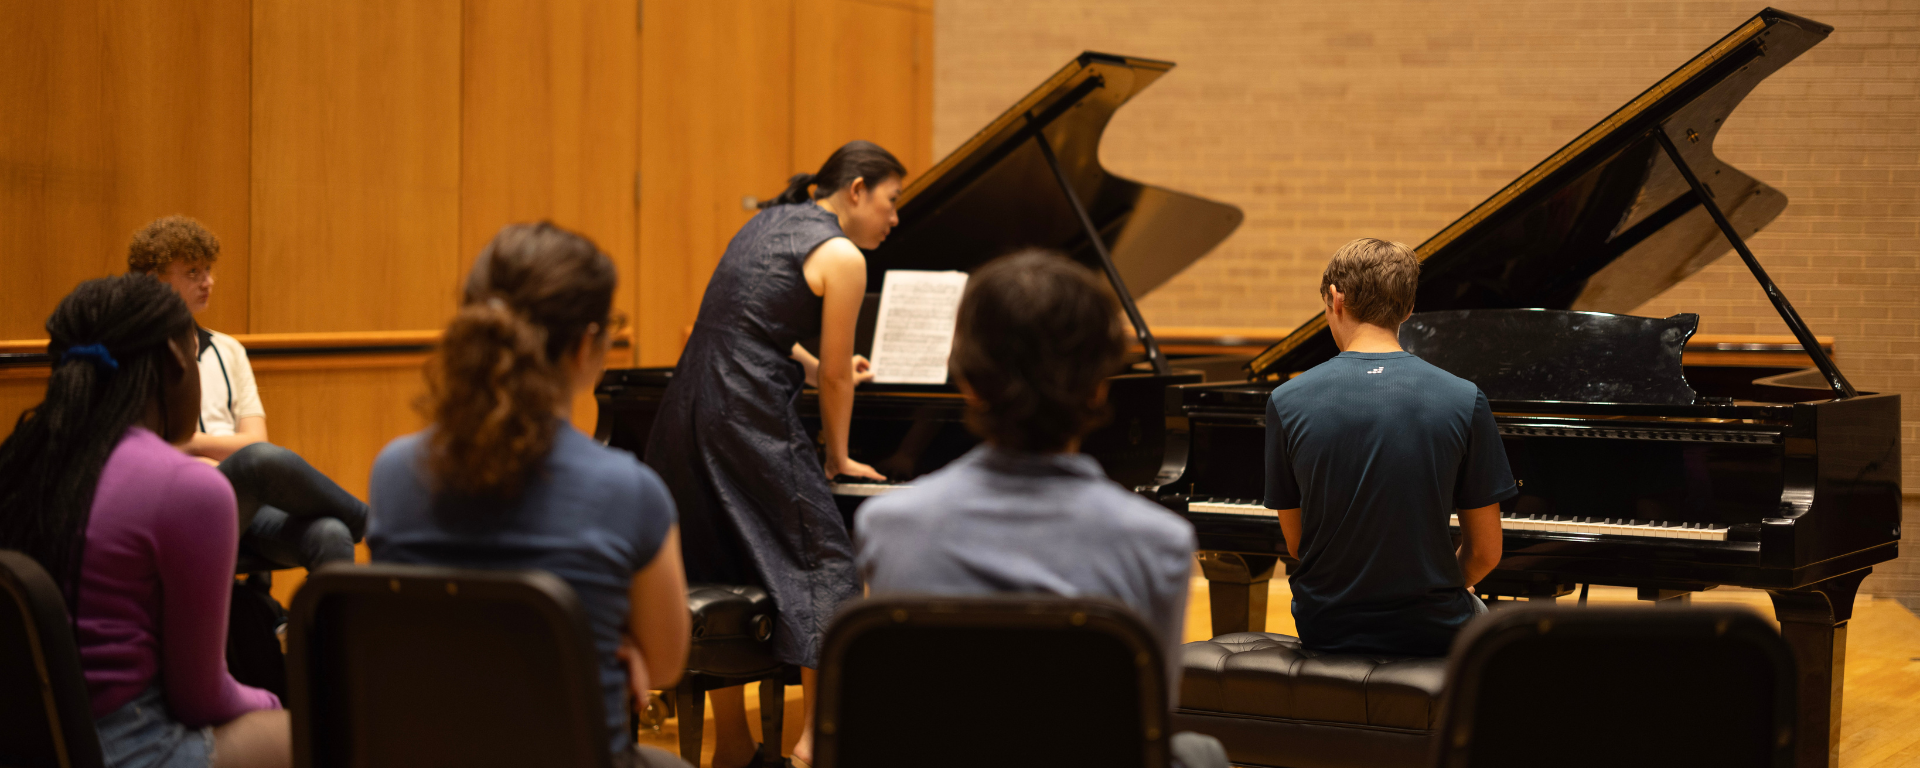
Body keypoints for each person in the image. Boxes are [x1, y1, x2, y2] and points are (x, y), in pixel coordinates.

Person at [855, 250, 1226, 768]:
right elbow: (1144, 725)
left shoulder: (888, 526)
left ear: (966, 380)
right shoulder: (1158, 543)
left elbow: (894, 717)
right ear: (1101, 386)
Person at [368, 222, 691, 767]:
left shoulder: (393, 472)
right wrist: (615, 648)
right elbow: (663, 667)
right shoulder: (628, 490)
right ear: (587, 343)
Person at [644, 140, 902, 768]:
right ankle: (815, 743)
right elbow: (838, 376)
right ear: (859, 189)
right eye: (893, 202)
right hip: (746, 411)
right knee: (827, 565)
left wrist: (810, 366)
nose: (896, 219)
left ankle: (732, 745)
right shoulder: (842, 254)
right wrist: (837, 457)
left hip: (686, 404)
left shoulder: (765, 221)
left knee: (721, 558)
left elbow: (749, 326)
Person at [0, 275, 289, 768]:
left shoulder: (20, 460)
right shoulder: (190, 488)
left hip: (30, 742)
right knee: (317, 729)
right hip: (131, 745)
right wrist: (272, 701)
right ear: (179, 362)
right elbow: (201, 699)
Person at [1265, 237, 1513, 657]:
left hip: (1326, 626)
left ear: (1334, 298)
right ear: (1409, 308)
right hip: (1433, 627)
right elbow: (1486, 553)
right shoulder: (1464, 397)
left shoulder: (1286, 401)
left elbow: (1298, 545)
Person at [127, 216, 368, 570]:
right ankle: (374, 525)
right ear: (153, 280)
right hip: (177, 503)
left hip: (244, 498)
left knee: (329, 532)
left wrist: (192, 443)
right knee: (259, 463)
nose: (208, 281)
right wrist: (226, 457)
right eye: (193, 272)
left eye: (209, 270)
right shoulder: (129, 351)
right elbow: (150, 450)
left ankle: (324, 627)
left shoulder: (229, 349)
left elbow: (255, 439)